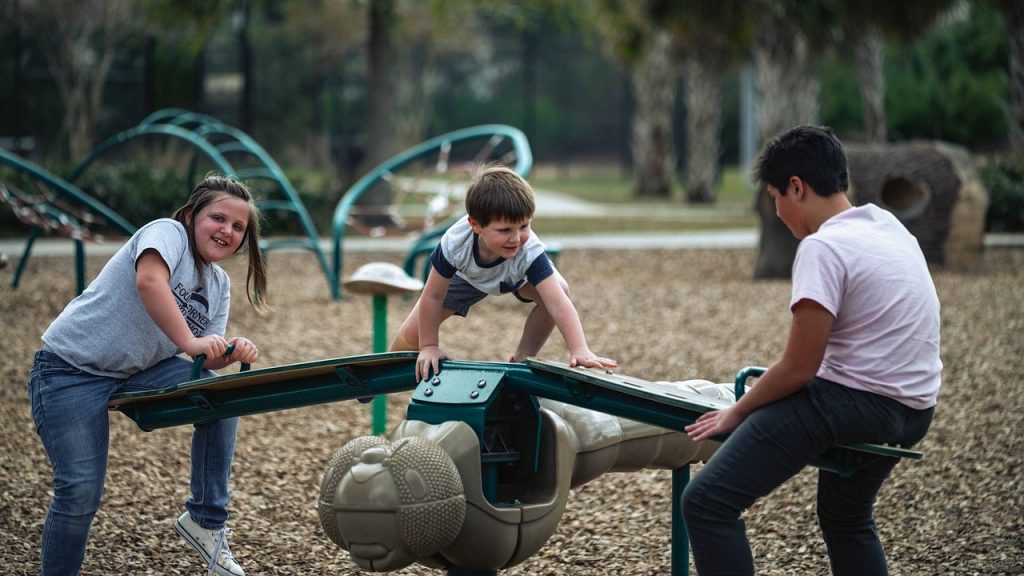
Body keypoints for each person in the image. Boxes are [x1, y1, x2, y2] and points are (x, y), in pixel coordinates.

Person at [682, 126, 941, 576]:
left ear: (796, 188)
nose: (778, 212)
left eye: (775, 197)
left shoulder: (823, 247)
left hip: (856, 405)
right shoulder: (888, 225)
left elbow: (801, 368)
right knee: (847, 518)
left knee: (707, 504)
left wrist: (738, 411)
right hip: (916, 409)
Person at [28, 174, 269, 576]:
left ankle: (205, 520)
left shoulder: (218, 283)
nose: (227, 230)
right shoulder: (167, 233)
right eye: (218, 218)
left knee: (222, 396)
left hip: (136, 372)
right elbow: (149, 281)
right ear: (192, 216)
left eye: (238, 226)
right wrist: (192, 343)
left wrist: (229, 351)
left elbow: (204, 356)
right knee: (80, 490)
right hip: (68, 368)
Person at [391, 164, 616, 382]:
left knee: (561, 290)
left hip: (517, 278)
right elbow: (433, 296)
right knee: (412, 335)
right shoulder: (455, 243)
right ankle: (372, 383)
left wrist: (580, 349)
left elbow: (558, 303)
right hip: (468, 279)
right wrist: (429, 346)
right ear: (475, 225)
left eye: (524, 226)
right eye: (505, 230)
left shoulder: (528, 251)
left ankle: (522, 358)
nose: (516, 238)